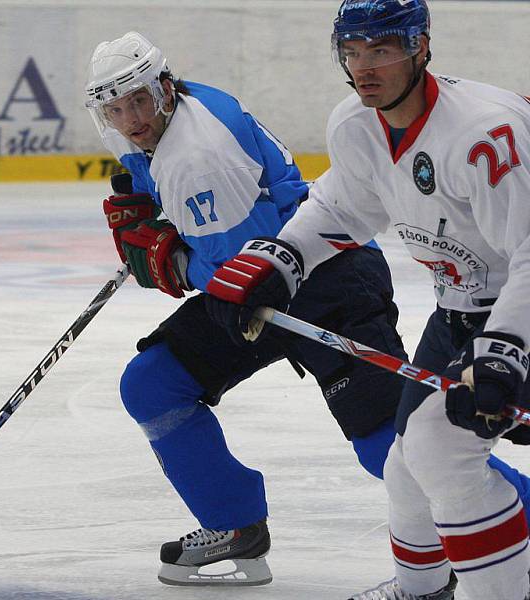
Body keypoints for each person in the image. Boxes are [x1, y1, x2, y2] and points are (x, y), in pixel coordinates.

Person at [83, 30, 530, 589]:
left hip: (326, 284)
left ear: (164, 88)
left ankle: (521, 520)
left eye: (139, 102)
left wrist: (168, 262)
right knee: (153, 385)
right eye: (115, 108)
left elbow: (232, 273)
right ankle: (234, 525)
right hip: (273, 279)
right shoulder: (173, 116)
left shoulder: (197, 157)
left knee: (399, 452)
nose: (130, 119)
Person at [204, 1, 530, 598]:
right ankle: (421, 592)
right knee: (407, 469)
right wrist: (279, 260)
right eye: (352, 52)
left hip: (518, 307)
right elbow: (342, 207)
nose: (364, 68)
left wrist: (508, 352)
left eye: (380, 50)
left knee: (440, 452)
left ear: (420, 47)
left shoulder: (485, 133)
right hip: (461, 306)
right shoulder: (356, 124)